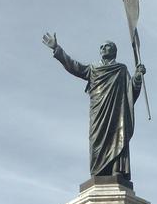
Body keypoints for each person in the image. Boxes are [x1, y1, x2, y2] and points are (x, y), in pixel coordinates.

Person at [42, 33, 146, 180]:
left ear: (114, 50)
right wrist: (57, 50)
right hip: (98, 112)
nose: (103, 48)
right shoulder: (93, 69)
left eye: (107, 46)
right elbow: (74, 67)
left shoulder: (121, 70)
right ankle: (98, 172)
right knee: (96, 140)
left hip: (116, 112)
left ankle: (117, 170)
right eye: (101, 47)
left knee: (117, 136)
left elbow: (130, 93)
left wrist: (137, 76)